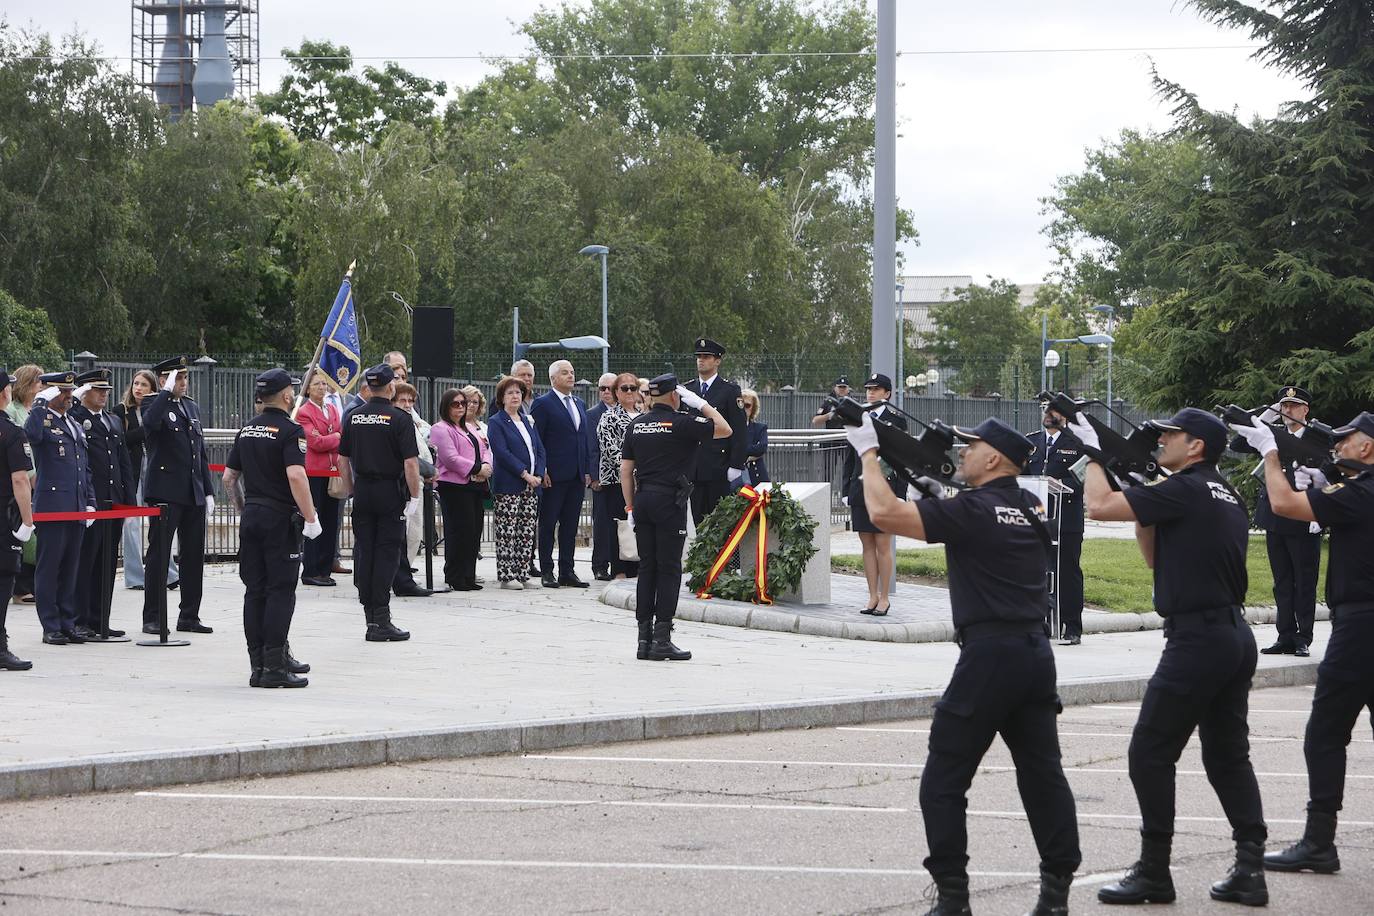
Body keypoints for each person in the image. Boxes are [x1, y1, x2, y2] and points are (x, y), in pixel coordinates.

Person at [845, 411, 1080, 916]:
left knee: (944, 778)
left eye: (972, 448)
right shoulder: (1033, 505)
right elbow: (983, 515)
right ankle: (1056, 895)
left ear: (994, 458)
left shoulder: (973, 509)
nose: (963, 454)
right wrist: (932, 488)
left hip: (989, 656)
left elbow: (884, 514)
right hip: (1036, 656)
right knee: (1043, 776)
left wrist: (868, 451)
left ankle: (953, 897)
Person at [1077, 407, 1268, 907]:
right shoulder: (1220, 492)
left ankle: (1155, 872)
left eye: (1171, 435)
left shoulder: (1185, 488)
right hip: (1230, 637)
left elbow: (1097, 506)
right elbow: (1157, 558)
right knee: (1228, 757)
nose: (1161, 441)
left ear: (1197, 445)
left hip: (1198, 640)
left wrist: (1095, 454)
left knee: (1150, 752)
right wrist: (1144, 500)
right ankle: (1251, 867)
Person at [1230, 410, 1374, 879]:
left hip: (1361, 626)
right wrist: (1327, 474)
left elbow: (1284, 505)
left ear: (1367, 447)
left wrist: (1270, 451)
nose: (1338, 444)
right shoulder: (1359, 488)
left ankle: (1318, 843)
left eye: (1346, 439)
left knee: (1326, 733)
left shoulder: (1361, 492)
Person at [222, 369, 322, 688]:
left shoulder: (247, 429)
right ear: (287, 395)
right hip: (279, 518)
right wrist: (311, 517)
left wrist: (244, 509)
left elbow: (228, 478)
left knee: (255, 591)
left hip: (252, 515)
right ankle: (275, 668)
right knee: (280, 592)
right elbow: (296, 476)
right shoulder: (291, 431)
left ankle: (257, 666)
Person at [621, 374, 731, 661]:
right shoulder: (681, 422)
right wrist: (702, 404)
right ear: (675, 396)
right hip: (669, 501)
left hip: (643, 500)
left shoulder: (637, 425)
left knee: (647, 568)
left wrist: (630, 507)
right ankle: (662, 639)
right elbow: (725, 429)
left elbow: (625, 470)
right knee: (669, 569)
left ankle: (643, 640)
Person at [1238, 386, 1323, 658]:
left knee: (1304, 579)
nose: (1287, 410)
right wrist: (1266, 417)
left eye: (1292, 406)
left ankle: (1303, 637)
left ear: (1304, 409)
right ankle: (1284, 634)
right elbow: (1238, 445)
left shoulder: (1318, 436)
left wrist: (1320, 514)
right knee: (1282, 580)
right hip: (1275, 517)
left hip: (1304, 517)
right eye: (1283, 406)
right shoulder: (1273, 434)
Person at [337, 363, 420, 642]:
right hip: (388, 491)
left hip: (363, 491)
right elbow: (410, 464)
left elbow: (342, 460)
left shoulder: (354, 416)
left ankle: (370, 616)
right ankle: (381, 620)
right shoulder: (399, 418)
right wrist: (415, 497)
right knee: (386, 553)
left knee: (365, 552)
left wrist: (351, 490)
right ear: (390, 387)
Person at [140, 356, 216, 635]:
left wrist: (208, 490)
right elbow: (149, 423)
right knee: (159, 555)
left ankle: (189, 615)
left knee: (193, 555)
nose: (183, 383)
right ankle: (153, 616)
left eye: (185, 378)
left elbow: (200, 453)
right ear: (163, 379)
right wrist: (163, 392)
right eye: (178, 378)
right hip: (166, 491)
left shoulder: (191, 406)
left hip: (192, 491)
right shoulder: (153, 403)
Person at [25, 371, 96, 645]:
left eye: (70, 392)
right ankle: (50, 625)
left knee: (70, 568)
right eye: (63, 392)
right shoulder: (42, 420)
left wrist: (89, 501)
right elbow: (31, 435)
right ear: (50, 393)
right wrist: (40, 403)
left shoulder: (73, 423)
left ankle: (68, 621)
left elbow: (84, 468)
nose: (68, 397)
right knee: (49, 567)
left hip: (76, 505)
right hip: (53, 506)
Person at [69, 369, 134, 639]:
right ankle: (80, 618)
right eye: (98, 389)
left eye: (106, 390)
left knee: (108, 562)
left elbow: (123, 462)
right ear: (83, 392)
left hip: (112, 500)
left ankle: (100, 619)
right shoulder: (75, 418)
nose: (104, 394)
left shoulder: (112, 420)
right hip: (91, 501)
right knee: (87, 561)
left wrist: (128, 500)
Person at [844, 374, 907, 616]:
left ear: (887, 394)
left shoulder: (896, 421)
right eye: (869, 389)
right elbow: (849, 457)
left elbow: (901, 460)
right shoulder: (857, 417)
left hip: (885, 489)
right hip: (860, 488)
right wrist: (846, 489)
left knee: (883, 544)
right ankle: (871, 595)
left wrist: (900, 493)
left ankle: (884, 597)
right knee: (866, 544)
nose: (871, 393)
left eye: (877, 389)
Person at [1025, 400, 1086, 645]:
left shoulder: (1077, 444)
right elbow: (1022, 475)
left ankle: (1072, 626)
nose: (1048, 414)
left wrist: (1061, 486)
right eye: (1045, 410)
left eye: (1054, 411)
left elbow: (1084, 478)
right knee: (1036, 570)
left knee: (1067, 572)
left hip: (1066, 519)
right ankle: (1041, 622)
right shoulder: (1031, 441)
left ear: (1065, 416)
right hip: (1038, 518)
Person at [115, 370, 180, 592]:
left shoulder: (158, 409)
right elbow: (121, 440)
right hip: (133, 470)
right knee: (131, 523)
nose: (138, 388)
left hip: (154, 469)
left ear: (153, 389)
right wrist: (145, 431)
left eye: (144, 384)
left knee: (160, 523)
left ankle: (169, 573)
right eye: (136, 383)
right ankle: (135, 576)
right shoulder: (122, 411)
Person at [530, 359, 592, 589]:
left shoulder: (579, 403)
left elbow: (583, 439)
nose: (570, 376)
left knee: (570, 525)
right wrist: (541, 469)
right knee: (548, 524)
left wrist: (586, 469)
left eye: (572, 372)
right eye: (565, 373)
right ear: (553, 378)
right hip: (553, 475)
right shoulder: (543, 404)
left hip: (575, 475)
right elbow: (538, 439)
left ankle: (568, 570)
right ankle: (547, 569)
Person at [488, 375, 545, 589]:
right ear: (501, 398)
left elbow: (539, 449)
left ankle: (522, 574)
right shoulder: (497, 422)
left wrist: (538, 473)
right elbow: (503, 453)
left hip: (531, 485)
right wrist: (524, 474)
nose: (515, 396)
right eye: (510, 393)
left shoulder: (527, 420)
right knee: (507, 531)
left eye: (518, 392)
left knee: (526, 531)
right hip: (510, 485)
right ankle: (506, 576)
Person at [432, 387, 491, 591]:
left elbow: (486, 449)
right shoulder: (441, 428)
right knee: (459, 530)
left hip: (475, 485)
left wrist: (486, 467)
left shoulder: (470, 427)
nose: (460, 408)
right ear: (445, 407)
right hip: (454, 486)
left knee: (474, 531)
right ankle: (455, 575)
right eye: (455, 404)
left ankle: (469, 574)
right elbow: (450, 458)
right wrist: (476, 468)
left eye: (463, 404)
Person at [684, 338, 747, 524]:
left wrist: (735, 465)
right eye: (698, 356)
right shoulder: (688, 389)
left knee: (720, 523)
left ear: (717, 361)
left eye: (706, 356)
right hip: (693, 468)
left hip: (718, 466)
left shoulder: (729, 390)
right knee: (695, 522)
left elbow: (739, 430)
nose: (701, 360)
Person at [0, 369, 35, 669]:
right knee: (3, 580)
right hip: (4, 518)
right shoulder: (11, 432)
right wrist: (27, 521)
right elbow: (21, 480)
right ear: (4, 393)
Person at [296, 372, 342, 587]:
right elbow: (315, 442)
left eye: (324, 383)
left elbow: (338, 435)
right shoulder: (304, 412)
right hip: (315, 472)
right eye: (317, 384)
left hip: (332, 471)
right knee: (315, 517)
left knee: (332, 520)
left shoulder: (332, 409)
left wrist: (331, 438)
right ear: (307, 388)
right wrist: (334, 438)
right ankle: (311, 569)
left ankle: (325, 567)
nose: (322, 388)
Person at [390, 382, 434, 598]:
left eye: (410, 401)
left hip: (419, 483)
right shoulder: (395, 423)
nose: (407, 405)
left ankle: (405, 573)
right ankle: (399, 578)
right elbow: (409, 458)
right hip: (405, 486)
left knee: (414, 534)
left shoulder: (412, 421)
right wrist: (429, 469)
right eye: (402, 400)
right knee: (405, 534)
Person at [596, 372, 642, 579]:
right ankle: (620, 569)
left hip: (642, 481)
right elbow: (610, 449)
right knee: (620, 524)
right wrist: (632, 469)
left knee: (639, 524)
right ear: (616, 392)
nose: (630, 391)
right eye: (625, 388)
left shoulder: (643, 415)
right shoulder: (609, 417)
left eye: (633, 387)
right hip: (616, 480)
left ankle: (637, 567)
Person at [5, 365, 42, 604]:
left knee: (35, 535)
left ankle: (29, 583)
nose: (41, 387)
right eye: (38, 382)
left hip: (39, 475)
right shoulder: (13, 411)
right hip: (23, 476)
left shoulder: (36, 410)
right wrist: (30, 477)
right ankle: (21, 587)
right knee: (23, 532)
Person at [587, 372, 618, 581]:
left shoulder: (625, 412)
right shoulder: (592, 414)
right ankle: (599, 565)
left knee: (620, 523)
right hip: (603, 478)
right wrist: (595, 476)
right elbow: (591, 448)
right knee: (601, 523)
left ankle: (619, 564)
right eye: (602, 388)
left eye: (609, 388)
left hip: (621, 478)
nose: (606, 392)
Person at [740, 388, 769, 486]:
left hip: (756, 474)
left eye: (747, 405)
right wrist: (750, 454)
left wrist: (739, 451)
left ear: (753, 408)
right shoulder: (728, 428)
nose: (744, 408)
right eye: (741, 404)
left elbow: (762, 447)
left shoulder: (760, 428)